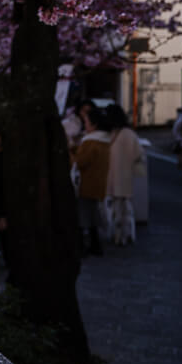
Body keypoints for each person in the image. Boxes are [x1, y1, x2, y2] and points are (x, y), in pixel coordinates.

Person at [73, 106, 112, 255]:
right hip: (98, 183)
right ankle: (95, 245)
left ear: (94, 124)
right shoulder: (104, 140)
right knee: (93, 216)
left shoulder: (91, 141)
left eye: (87, 122)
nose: (85, 125)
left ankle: (83, 247)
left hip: (86, 183)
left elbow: (80, 161)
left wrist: (72, 152)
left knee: (83, 216)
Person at [102, 104, 141, 246]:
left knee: (114, 208)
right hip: (125, 177)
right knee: (126, 208)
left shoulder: (107, 134)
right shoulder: (130, 134)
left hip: (111, 177)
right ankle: (126, 235)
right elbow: (138, 154)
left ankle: (117, 235)